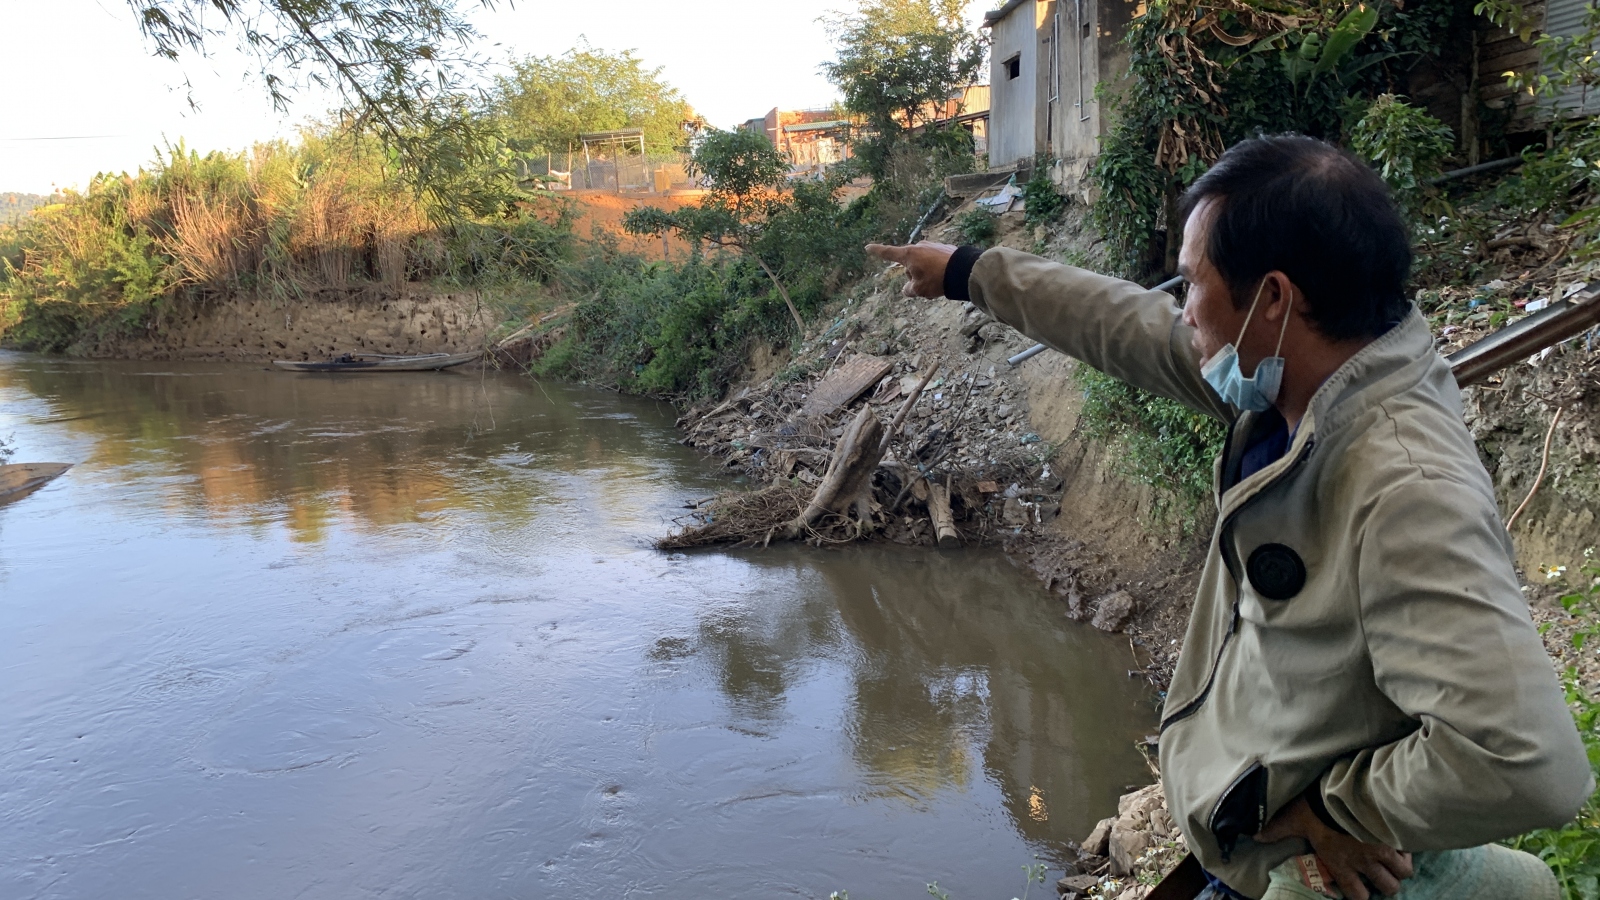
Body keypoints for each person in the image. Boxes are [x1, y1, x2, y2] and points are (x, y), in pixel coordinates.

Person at [867, 134, 1592, 900]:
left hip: (1295, 867)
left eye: (1191, 286)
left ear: (1274, 300)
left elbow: (1527, 764)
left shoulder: (1403, 485)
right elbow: (1126, 325)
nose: (1181, 313)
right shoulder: (1303, 380)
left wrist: (1338, 807)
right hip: (1251, 841)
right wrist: (969, 272)